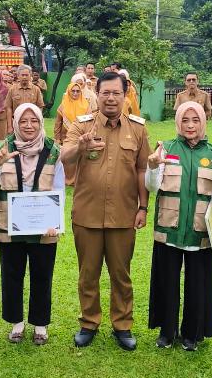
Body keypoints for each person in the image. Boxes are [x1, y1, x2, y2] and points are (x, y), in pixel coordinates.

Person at [61, 72, 151, 351]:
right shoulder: (81, 125)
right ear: (96, 95)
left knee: (121, 274)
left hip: (123, 214)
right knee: (88, 273)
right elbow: (64, 156)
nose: (111, 98)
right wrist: (81, 146)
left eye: (116, 93)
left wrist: (143, 207)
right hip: (87, 214)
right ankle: (89, 322)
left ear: (125, 96)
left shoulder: (137, 129)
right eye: (105, 93)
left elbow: (142, 169)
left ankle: (122, 325)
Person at [146, 101, 212, 351]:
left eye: (195, 120)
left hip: (200, 231)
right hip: (169, 228)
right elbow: (152, 186)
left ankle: (192, 333)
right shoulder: (166, 148)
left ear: (204, 122)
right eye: (185, 120)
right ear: (177, 122)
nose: (190, 125)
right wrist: (152, 166)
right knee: (166, 281)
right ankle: (167, 331)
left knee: (198, 284)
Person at [0, 103, 64, 345]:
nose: (29, 126)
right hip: (10, 223)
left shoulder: (53, 150)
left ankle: (40, 325)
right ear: (15, 122)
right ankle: (16, 323)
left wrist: (55, 222)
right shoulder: (2, 147)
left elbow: (59, 187)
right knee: (12, 274)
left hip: (44, 226)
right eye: (23, 121)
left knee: (42, 274)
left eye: (34, 121)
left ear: (40, 122)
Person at [54, 82, 90, 186]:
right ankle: (68, 180)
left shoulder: (86, 105)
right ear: (69, 92)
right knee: (67, 158)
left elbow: (90, 122)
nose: (75, 93)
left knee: (81, 159)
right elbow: (58, 123)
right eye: (73, 91)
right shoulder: (63, 105)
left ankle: (79, 179)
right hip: (66, 137)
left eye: (78, 91)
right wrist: (57, 138)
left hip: (81, 137)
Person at [4, 65, 44, 132]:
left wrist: (38, 122)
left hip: (31, 123)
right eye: (22, 75)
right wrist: (9, 126)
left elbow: (40, 107)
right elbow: (8, 108)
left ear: (30, 75)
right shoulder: (12, 89)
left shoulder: (36, 89)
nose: (24, 77)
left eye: (26, 75)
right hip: (16, 122)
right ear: (18, 76)